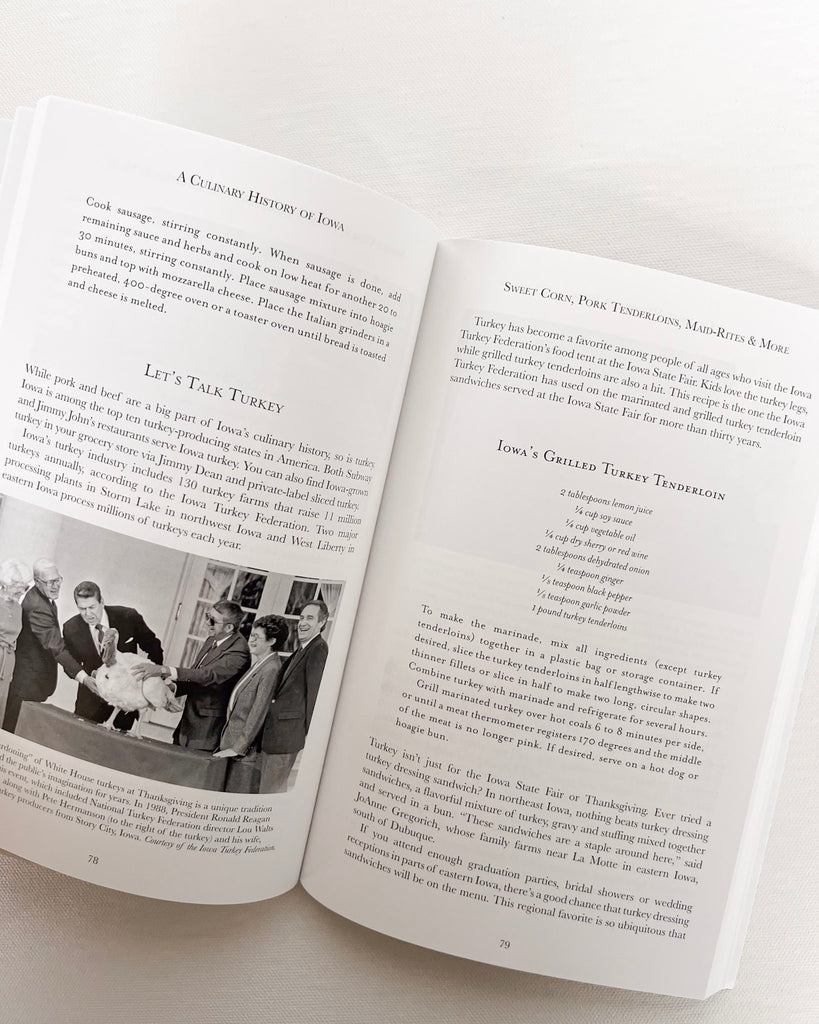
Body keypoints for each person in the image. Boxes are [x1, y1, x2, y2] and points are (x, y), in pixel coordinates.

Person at [135, 600, 250, 751]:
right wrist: (171, 688)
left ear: (229, 628)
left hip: (206, 729)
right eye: (208, 616)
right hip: (188, 722)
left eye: (213, 621)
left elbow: (206, 675)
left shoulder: (239, 651)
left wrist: (163, 670)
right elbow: (195, 675)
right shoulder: (213, 637)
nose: (207, 623)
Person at [2, 559, 95, 734]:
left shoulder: (44, 598)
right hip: (25, 685)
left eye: (57, 579)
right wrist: (84, 678)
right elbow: (56, 646)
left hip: (30, 683)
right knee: (10, 734)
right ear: (37, 582)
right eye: (50, 582)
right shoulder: (37, 606)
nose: (56, 585)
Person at [62, 581, 164, 731]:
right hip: (88, 706)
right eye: (82, 609)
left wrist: (151, 680)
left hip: (124, 709)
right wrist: (85, 679)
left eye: (92, 607)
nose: (88, 614)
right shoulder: (71, 628)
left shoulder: (129, 617)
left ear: (102, 602)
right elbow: (70, 663)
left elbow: (154, 647)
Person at [257, 600, 329, 794]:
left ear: (321, 623)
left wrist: (308, 734)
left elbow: (314, 695)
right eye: (301, 618)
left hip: (287, 736)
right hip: (277, 735)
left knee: (270, 792)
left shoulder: (318, 648)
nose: (303, 623)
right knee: (272, 790)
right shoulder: (303, 648)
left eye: (310, 618)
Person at [213, 614, 289, 793]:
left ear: (272, 641)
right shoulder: (260, 664)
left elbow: (258, 713)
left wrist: (237, 748)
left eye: (256, 637)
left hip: (243, 755)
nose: (251, 640)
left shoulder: (271, 669)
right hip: (232, 747)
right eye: (251, 635)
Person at [0, 560, 32, 727]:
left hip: (7, 663)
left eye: (24, 587)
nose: (22, 591)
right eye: (18, 586)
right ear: (5, 584)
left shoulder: (18, 608)